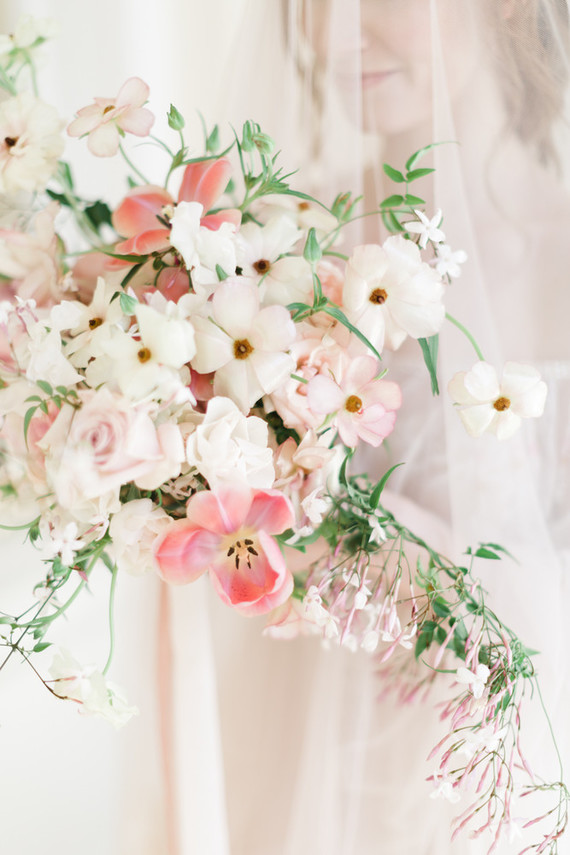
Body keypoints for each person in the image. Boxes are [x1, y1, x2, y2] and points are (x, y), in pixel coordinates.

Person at [0, 2, 569, 854]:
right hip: (291, 740)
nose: (334, 30)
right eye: (309, 0)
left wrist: (369, 552)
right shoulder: (270, 242)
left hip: (498, 770)